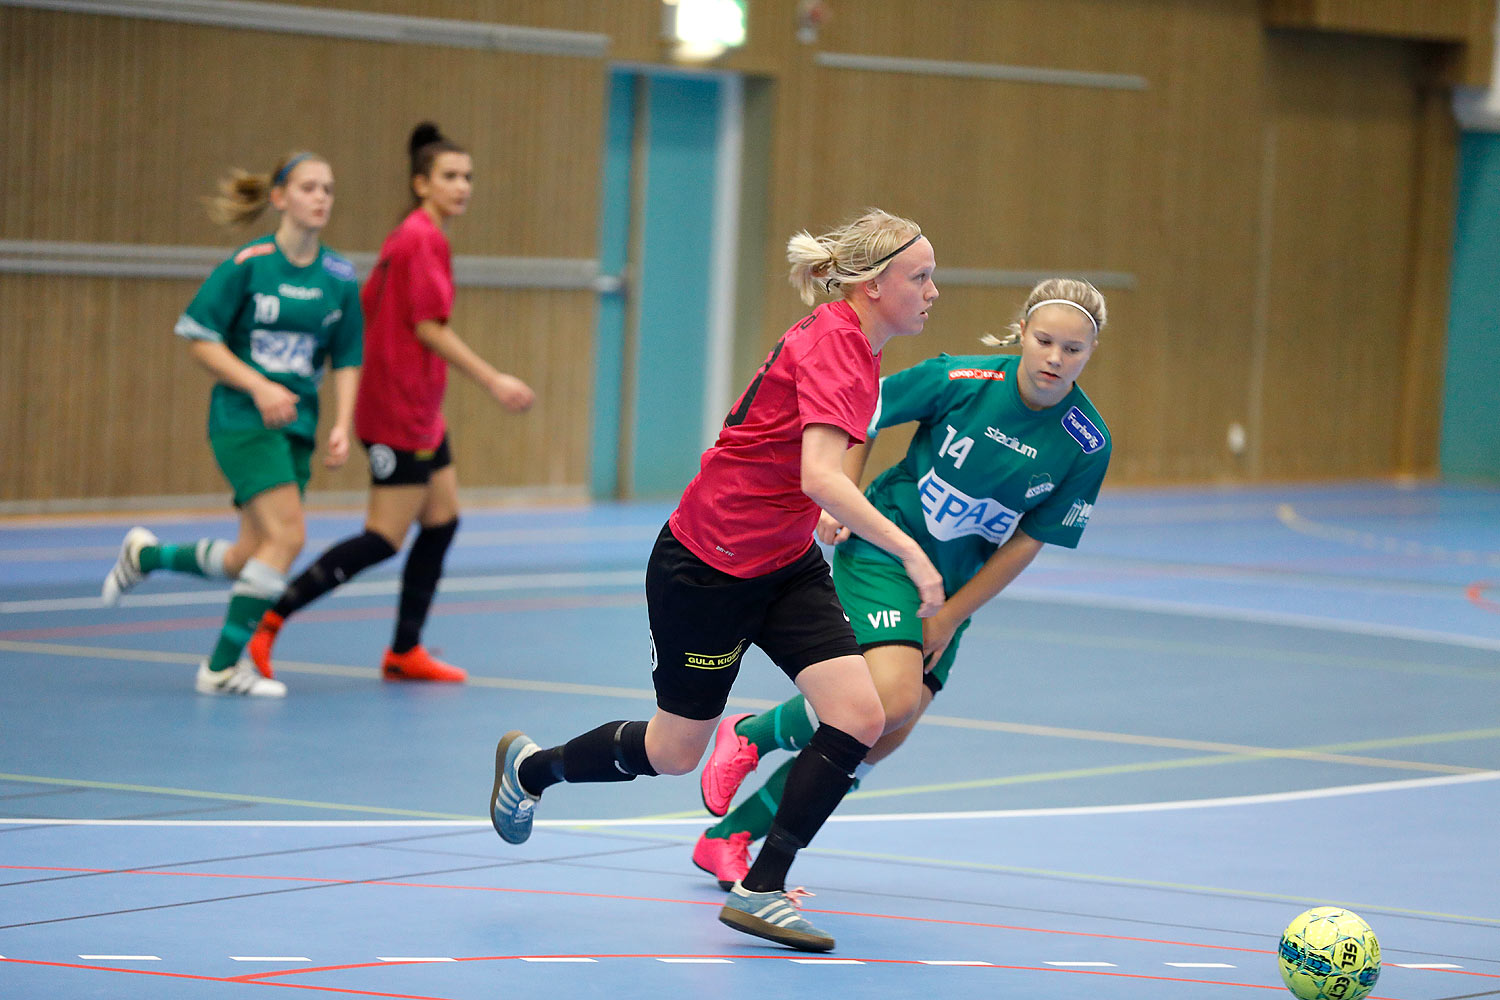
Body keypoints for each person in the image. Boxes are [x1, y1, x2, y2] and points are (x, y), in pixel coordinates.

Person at [487, 209, 944, 953]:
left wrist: (824, 511)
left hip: (784, 563)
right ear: (871, 285)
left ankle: (762, 889)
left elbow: (812, 473)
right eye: (920, 277)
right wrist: (910, 553)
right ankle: (533, 768)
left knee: (860, 716)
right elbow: (821, 474)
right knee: (673, 754)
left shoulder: (859, 348)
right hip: (708, 567)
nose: (933, 291)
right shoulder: (834, 343)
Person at [689, 278, 1112, 888]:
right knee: (889, 702)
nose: (1054, 358)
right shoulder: (960, 382)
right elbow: (861, 412)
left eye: (1072, 350)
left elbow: (1026, 542)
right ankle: (752, 733)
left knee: (881, 738)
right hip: (886, 553)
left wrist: (950, 615)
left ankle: (730, 836)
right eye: (1045, 341)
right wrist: (845, 494)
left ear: (1091, 352)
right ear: (1023, 332)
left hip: (952, 588)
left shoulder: (1086, 443)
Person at [245, 122, 535, 684]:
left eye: (468, 177)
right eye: (450, 176)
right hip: (397, 412)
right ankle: (270, 618)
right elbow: (428, 327)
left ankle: (404, 650)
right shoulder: (418, 238)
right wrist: (494, 379)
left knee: (444, 518)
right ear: (421, 183)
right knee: (384, 536)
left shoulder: (423, 237)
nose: (462, 186)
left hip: (421, 407)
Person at [100, 151, 363, 697]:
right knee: (289, 535)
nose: (321, 198)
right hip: (243, 420)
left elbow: (348, 356)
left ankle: (145, 556)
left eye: (329, 189)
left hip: (297, 427)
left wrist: (343, 423)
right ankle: (220, 667)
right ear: (280, 197)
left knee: (250, 554)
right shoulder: (249, 264)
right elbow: (198, 336)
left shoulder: (339, 276)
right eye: (309, 187)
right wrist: (260, 386)